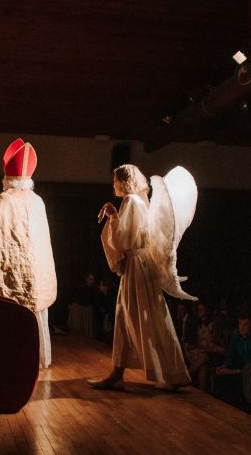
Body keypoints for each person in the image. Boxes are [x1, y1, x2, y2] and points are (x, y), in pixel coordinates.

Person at [88, 164, 198, 391]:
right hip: (140, 265)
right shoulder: (140, 201)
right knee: (128, 317)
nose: (113, 184)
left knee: (144, 317)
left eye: (115, 180)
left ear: (123, 181)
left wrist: (113, 216)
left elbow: (121, 241)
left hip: (137, 267)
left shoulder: (131, 202)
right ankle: (118, 373)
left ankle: (173, 374)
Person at [0, 138, 57, 368]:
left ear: (7, 178)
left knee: (11, 311)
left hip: (12, 267)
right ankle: (40, 358)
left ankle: (13, 359)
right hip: (37, 268)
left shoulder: (2, 200)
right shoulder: (38, 201)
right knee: (36, 311)